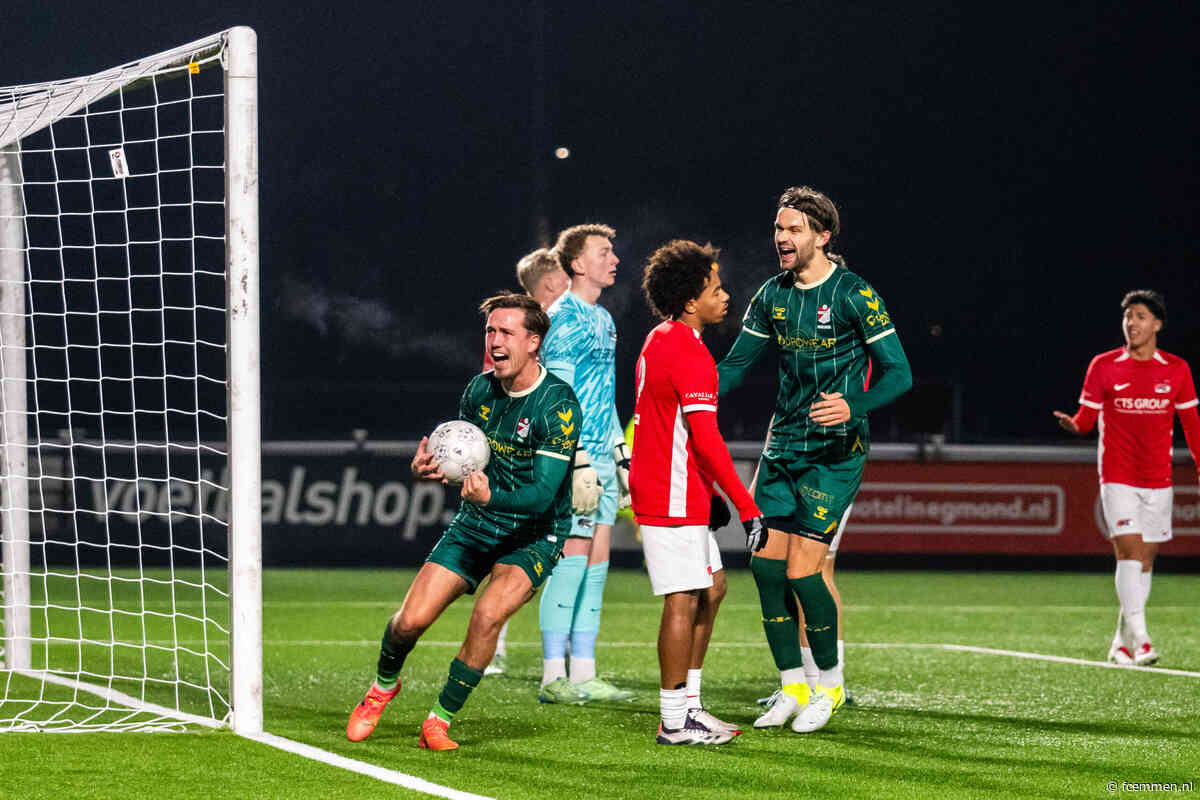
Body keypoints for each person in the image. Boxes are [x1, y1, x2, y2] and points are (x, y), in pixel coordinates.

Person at [345, 292, 581, 750]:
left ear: (534, 342)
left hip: (533, 534)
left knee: (488, 616)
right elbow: (461, 461)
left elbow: (542, 496)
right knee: (409, 622)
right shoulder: (478, 390)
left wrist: (491, 494)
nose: (494, 340)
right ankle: (382, 687)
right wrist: (428, 472)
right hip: (477, 524)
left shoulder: (558, 405)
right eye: (490, 330)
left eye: (506, 332)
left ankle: (439, 718)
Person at [718, 186, 911, 733]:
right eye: (779, 228)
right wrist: (687, 387)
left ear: (823, 236)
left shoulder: (854, 293)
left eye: (794, 229)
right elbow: (734, 367)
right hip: (782, 449)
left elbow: (900, 373)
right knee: (763, 567)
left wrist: (854, 404)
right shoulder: (771, 295)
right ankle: (791, 687)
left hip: (835, 455)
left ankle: (829, 685)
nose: (782, 238)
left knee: (806, 572)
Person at [631, 239, 767, 745]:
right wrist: (746, 508)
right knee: (683, 599)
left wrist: (708, 493)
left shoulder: (662, 338)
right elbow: (705, 440)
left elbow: (668, 428)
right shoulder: (687, 350)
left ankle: (690, 705)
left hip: (679, 487)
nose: (725, 295)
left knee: (711, 589)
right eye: (715, 288)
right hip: (670, 492)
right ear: (691, 301)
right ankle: (673, 721)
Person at [1053, 289, 1200, 666]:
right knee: (1130, 553)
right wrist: (1075, 425)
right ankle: (1144, 639)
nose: (1131, 323)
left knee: (1145, 561)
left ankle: (1120, 642)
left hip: (1159, 479)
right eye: (1127, 317)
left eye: (1139, 317)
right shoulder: (1103, 365)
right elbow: (1086, 419)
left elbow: (1192, 425)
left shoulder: (1177, 370)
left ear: (1157, 324)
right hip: (1118, 476)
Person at [537, 223, 634, 703]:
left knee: (597, 566)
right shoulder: (565, 319)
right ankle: (553, 675)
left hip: (602, 455)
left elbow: (604, 396)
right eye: (603, 251)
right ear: (577, 263)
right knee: (570, 564)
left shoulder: (603, 319)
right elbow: (558, 399)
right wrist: (575, 459)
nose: (614, 258)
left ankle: (584, 673)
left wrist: (620, 455)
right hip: (575, 460)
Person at [485, 248, 582, 677]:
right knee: (509, 550)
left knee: (561, 553)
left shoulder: (554, 328)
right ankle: (500, 642)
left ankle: (562, 658)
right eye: (563, 280)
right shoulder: (515, 335)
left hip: (550, 448)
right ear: (548, 285)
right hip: (516, 450)